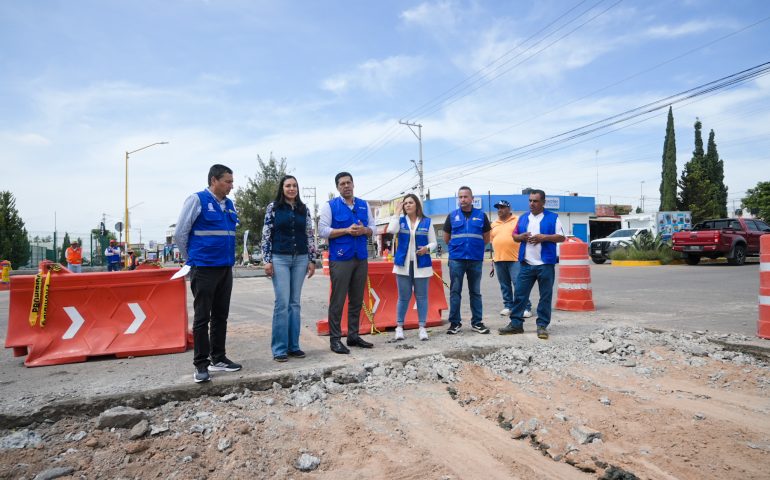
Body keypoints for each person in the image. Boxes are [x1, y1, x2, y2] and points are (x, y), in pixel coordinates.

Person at [175, 164, 242, 383]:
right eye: (228, 181)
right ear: (214, 180)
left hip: (225, 267)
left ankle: (219, 358)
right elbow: (180, 233)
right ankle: (201, 365)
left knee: (221, 315)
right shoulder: (197, 200)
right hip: (203, 268)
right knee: (202, 317)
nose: (231, 186)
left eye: (232, 181)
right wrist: (191, 259)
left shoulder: (229, 205)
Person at [261, 175, 317, 362]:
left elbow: (309, 234)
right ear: (282, 188)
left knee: (295, 303)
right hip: (279, 258)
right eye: (288, 186)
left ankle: (294, 346)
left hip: (300, 258)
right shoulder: (273, 208)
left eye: (294, 186)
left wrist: (312, 259)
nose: (291, 188)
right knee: (282, 302)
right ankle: (279, 348)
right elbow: (266, 234)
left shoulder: (304, 209)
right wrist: (267, 260)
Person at [318, 171, 375, 354]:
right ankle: (335, 340)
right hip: (340, 258)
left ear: (353, 184)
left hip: (361, 258)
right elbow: (323, 231)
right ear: (337, 187)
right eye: (342, 184)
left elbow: (374, 228)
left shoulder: (364, 205)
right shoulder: (330, 206)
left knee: (357, 300)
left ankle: (353, 335)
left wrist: (365, 229)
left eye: (348, 182)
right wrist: (346, 230)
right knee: (338, 301)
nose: (346, 186)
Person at [499, 189, 565, 340]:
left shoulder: (553, 218)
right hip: (526, 264)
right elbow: (514, 236)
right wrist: (520, 237)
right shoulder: (523, 218)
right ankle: (516, 324)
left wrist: (545, 237)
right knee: (520, 295)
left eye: (535, 201)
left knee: (545, 297)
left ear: (543, 202)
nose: (532, 204)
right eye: (530, 201)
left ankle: (542, 325)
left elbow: (562, 237)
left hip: (545, 265)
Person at [386, 194, 437, 341]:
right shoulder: (400, 221)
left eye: (410, 202)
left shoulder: (427, 222)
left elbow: (433, 242)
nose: (407, 205)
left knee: (422, 297)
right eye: (405, 203)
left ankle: (422, 327)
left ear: (416, 205)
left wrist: (427, 248)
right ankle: (399, 327)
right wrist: (396, 213)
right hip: (403, 264)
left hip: (422, 264)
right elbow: (391, 230)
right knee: (403, 297)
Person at [443, 186, 491, 335]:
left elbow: (486, 238)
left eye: (465, 196)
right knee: (455, 292)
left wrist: (475, 249)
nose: (463, 199)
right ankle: (455, 323)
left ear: (472, 199)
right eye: (460, 197)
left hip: (475, 260)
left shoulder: (481, 216)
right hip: (457, 259)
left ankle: (477, 322)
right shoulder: (452, 216)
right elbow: (446, 238)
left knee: (475, 292)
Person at [490, 199, 531, 318]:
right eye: (498, 208)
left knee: (519, 285)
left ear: (509, 209)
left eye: (502, 207)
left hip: (515, 259)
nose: (500, 210)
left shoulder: (518, 220)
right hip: (499, 259)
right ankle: (508, 306)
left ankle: (526, 307)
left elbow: (525, 235)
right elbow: (493, 241)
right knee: (504, 285)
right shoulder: (494, 224)